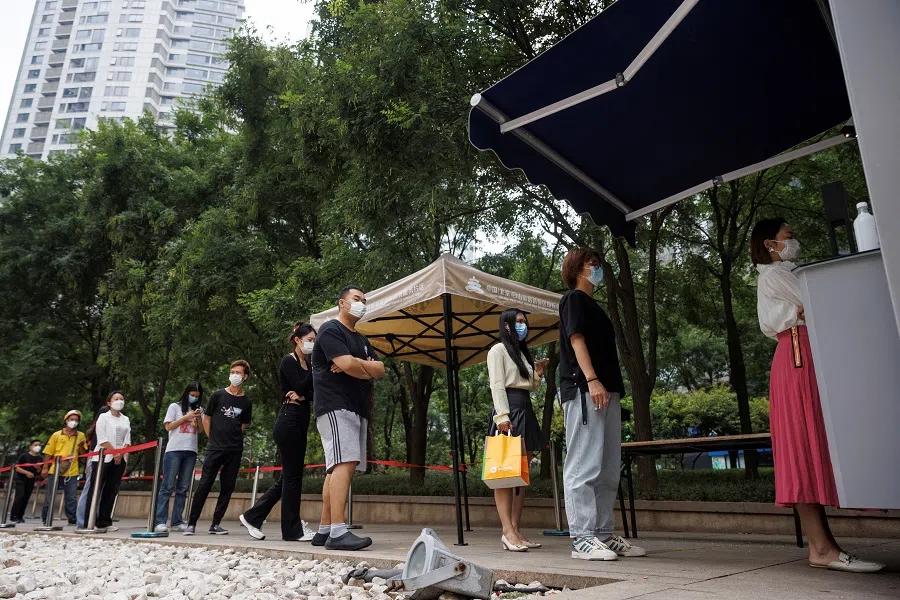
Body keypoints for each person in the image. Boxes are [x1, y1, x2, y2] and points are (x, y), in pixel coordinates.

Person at [751, 218, 883, 573]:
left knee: (809, 443)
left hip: (801, 353)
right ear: (769, 244)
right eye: (787, 237)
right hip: (798, 353)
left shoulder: (784, 273)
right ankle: (821, 548)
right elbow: (821, 303)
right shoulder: (777, 275)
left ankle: (823, 546)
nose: (793, 241)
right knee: (803, 444)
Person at [558, 248, 645, 561]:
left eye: (598, 264)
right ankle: (581, 538)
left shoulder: (597, 307)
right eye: (592, 264)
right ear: (578, 269)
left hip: (608, 391)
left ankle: (603, 533)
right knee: (583, 464)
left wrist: (607, 388)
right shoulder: (573, 300)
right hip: (585, 388)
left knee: (608, 468)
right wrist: (592, 379)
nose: (598, 269)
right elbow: (576, 340)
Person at [310, 286, 385, 551]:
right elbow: (353, 366)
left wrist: (356, 365)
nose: (362, 304)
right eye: (357, 300)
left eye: (365, 300)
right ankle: (339, 532)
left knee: (336, 467)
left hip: (355, 407)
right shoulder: (331, 329)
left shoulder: (362, 338)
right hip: (335, 405)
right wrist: (360, 365)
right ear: (342, 303)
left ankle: (325, 529)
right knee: (345, 462)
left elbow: (380, 369)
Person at [240, 323, 317, 542]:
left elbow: (309, 392)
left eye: (314, 340)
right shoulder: (288, 361)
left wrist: (303, 392)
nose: (313, 343)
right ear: (297, 340)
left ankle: (252, 516)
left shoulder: (307, 364)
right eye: (310, 339)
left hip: (301, 420)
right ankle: (291, 531)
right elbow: (300, 387)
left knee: (289, 478)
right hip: (288, 421)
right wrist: (307, 385)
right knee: (292, 479)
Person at [486, 309, 549, 552]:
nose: (524, 325)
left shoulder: (521, 353)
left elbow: (529, 386)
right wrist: (502, 416)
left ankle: (516, 530)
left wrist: (539, 373)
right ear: (508, 325)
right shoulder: (497, 350)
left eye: (525, 321)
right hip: (508, 412)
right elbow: (497, 384)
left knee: (521, 474)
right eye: (519, 321)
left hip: (525, 408)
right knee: (504, 473)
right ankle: (507, 532)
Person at [185, 360, 253, 536]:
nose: (235, 375)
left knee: (227, 487)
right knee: (205, 485)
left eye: (239, 372)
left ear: (245, 377)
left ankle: (216, 524)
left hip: (235, 450)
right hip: (215, 448)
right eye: (233, 371)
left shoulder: (246, 402)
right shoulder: (217, 395)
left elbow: (243, 425)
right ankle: (191, 523)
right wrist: (212, 438)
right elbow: (206, 418)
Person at [154, 382, 203, 533]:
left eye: (197, 396)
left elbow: (200, 430)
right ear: (186, 393)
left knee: (182, 488)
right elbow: (168, 426)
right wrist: (185, 418)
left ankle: (177, 520)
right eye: (192, 395)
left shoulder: (198, 410)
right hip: (174, 450)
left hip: (191, 450)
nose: (194, 398)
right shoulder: (174, 407)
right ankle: (160, 521)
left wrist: (198, 418)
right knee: (167, 486)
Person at [83, 392, 131, 531]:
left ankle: (104, 522)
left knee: (111, 491)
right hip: (103, 457)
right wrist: (114, 451)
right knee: (95, 489)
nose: (119, 401)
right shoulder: (103, 417)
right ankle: (89, 521)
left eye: (122, 398)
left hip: (119, 458)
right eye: (116, 399)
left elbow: (127, 439)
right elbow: (102, 439)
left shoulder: (126, 419)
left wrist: (121, 453)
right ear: (109, 403)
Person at [41, 410, 88, 526]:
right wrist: (45, 467)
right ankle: (46, 518)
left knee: (71, 497)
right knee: (50, 495)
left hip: (72, 470)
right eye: (72, 419)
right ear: (66, 420)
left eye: (76, 420)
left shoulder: (81, 435)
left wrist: (82, 445)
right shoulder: (56, 435)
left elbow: (83, 453)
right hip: (56, 468)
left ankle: (72, 519)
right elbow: (48, 452)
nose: (74, 422)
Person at [76, 405, 109, 529]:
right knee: (90, 489)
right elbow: (93, 447)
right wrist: (89, 462)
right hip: (96, 459)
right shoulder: (100, 426)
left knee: (99, 491)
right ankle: (83, 520)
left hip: (105, 459)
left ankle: (94, 519)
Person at [9, 440, 44, 523]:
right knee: (20, 496)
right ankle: (14, 516)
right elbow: (17, 467)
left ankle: (20, 516)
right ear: (30, 446)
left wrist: (38, 468)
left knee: (26, 498)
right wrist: (26, 472)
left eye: (39, 445)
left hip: (31, 481)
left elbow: (40, 472)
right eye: (36, 445)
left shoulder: (40, 458)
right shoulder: (24, 456)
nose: (38, 447)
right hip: (21, 479)